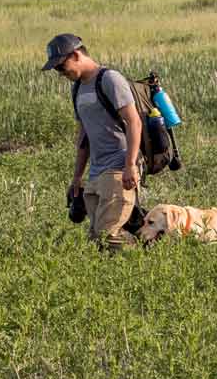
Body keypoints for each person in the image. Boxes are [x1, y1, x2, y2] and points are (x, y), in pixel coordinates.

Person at [43, 33, 142, 249]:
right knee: (96, 240)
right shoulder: (77, 88)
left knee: (108, 235)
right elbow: (83, 135)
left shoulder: (110, 79)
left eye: (61, 67)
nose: (61, 74)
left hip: (118, 169)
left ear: (76, 55)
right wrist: (77, 177)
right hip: (95, 173)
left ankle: (150, 257)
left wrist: (130, 165)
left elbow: (134, 123)